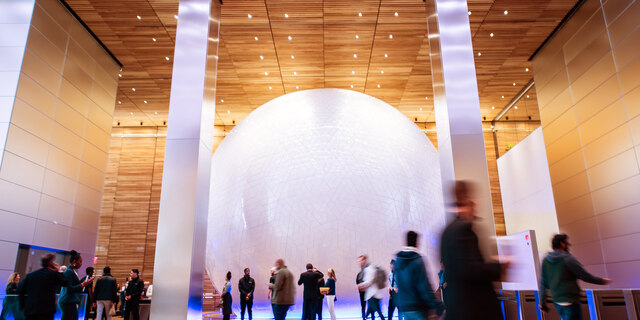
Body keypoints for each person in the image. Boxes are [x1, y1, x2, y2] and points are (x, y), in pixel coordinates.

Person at [440, 180, 508, 320]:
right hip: (473, 309)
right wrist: (499, 267)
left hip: (460, 308)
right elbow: (470, 269)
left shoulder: (447, 231)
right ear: (465, 198)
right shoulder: (462, 230)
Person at [539, 234, 611, 320]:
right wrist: (602, 281)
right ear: (562, 244)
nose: (568, 244)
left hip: (557, 302)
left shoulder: (546, 259)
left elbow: (543, 282)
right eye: (566, 242)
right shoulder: (568, 258)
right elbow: (585, 276)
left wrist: (543, 303)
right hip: (571, 301)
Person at [18, 253, 88, 320]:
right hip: (46, 310)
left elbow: (19, 290)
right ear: (51, 264)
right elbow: (65, 282)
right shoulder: (53, 274)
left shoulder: (30, 275)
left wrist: (22, 306)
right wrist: (58, 270)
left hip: (31, 310)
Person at [394, 231, 443, 320]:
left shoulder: (397, 261)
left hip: (405, 308)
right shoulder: (417, 260)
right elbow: (424, 287)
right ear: (417, 243)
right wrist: (437, 305)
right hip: (418, 308)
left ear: (406, 242)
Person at [59, 250, 94, 320]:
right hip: (67, 302)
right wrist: (83, 284)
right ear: (74, 261)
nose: (81, 264)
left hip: (70, 302)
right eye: (80, 261)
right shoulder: (69, 272)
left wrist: (84, 283)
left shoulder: (72, 271)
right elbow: (69, 289)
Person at [357, 255, 385, 320]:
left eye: (361, 260)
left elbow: (369, 281)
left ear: (365, 260)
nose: (359, 262)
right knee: (375, 311)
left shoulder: (368, 269)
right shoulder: (370, 268)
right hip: (373, 294)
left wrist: (361, 285)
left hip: (372, 294)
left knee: (377, 311)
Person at [356, 256, 368, 320]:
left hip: (368, 292)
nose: (360, 263)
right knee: (363, 306)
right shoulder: (359, 274)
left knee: (371, 307)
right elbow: (357, 282)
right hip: (362, 293)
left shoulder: (368, 272)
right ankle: (364, 317)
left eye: (361, 261)